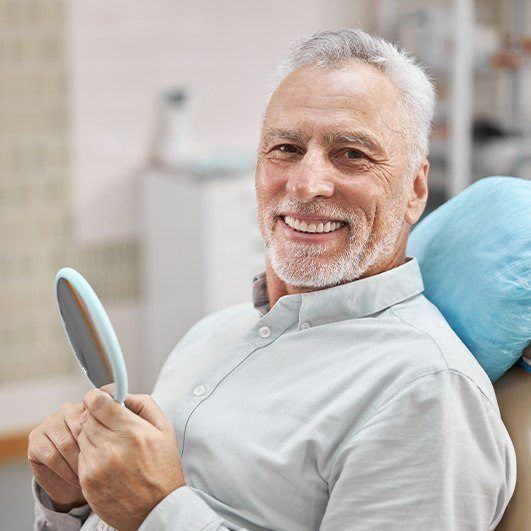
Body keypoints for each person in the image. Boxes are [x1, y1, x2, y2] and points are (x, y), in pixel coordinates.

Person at [29, 28, 516, 530]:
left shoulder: (425, 394)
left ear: (415, 190)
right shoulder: (213, 333)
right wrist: (72, 503)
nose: (305, 184)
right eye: (285, 148)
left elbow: (150, 510)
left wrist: (156, 511)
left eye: (352, 154)